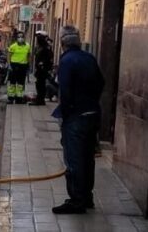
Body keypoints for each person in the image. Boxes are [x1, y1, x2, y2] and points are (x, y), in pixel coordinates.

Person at [51, 26, 104, 215]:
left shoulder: (66, 61)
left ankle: (76, 201)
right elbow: (101, 83)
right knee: (88, 158)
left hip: (76, 118)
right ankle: (87, 197)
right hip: (92, 114)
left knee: (74, 159)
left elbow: (65, 91)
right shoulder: (89, 58)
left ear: (63, 43)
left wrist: (66, 114)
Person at [7, 32, 31, 104]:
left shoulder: (27, 46)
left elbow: (29, 56)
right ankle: (11, 98)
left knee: (21, 83)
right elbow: (9, 56)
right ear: (17, 38)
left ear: (24, 38)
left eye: (22, 37)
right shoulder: (13, 46)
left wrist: (28, 64)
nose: (20, 38)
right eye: (19, 37)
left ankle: (19, 98)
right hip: (14, 65)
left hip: (23, 66)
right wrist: (9, 65)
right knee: (12, 83)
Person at [32, 31, 53, 106]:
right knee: (39, 84)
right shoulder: (40, 46)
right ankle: (39, 99)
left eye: (38, 38)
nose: (37, 39)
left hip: (43, 69)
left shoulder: (46, 47)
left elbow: (48, 57)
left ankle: (40, 100)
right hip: (39, 68)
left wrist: (42, 64)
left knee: (41, 84)